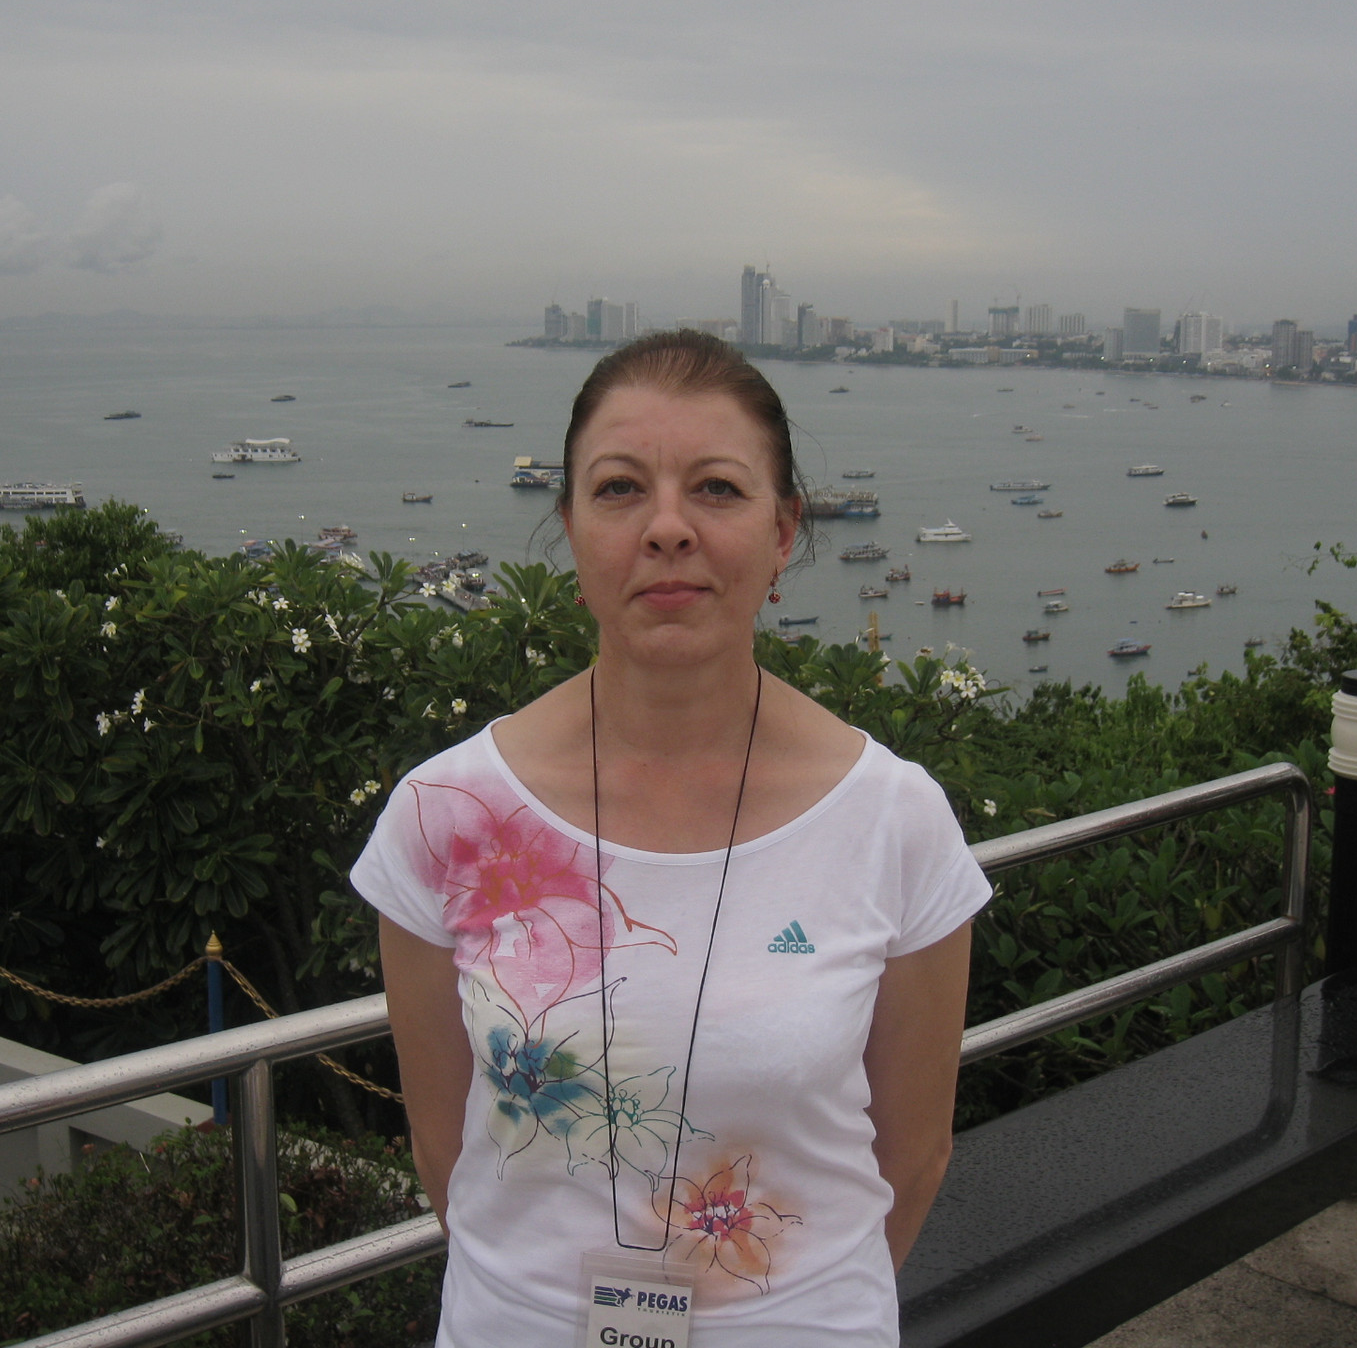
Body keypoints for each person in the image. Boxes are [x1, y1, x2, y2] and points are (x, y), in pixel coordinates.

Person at [354, 330, 992, 1346]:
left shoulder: (891, 819)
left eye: (716, 489)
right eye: (619, 489)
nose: (666, 529)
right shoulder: (447, 815)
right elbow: (445, 1154)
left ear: (783, 531)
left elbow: (913, 1160)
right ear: (570, 528)